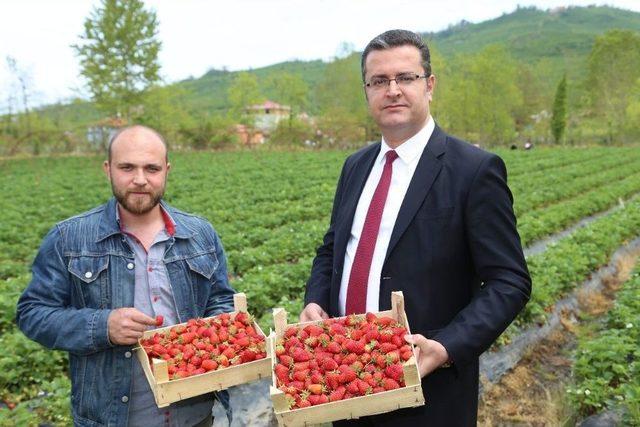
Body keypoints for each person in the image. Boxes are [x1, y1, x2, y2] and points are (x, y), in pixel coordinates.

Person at [301, 29, 531, 426]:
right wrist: (315, 300)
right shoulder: (356, 166)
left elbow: (509, 282)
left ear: (429, 85)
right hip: (345, 378)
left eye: (405, 78)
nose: (392, 90)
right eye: (379, 81)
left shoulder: (473, 170)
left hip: (426, 391)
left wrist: (446, 346)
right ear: (367, 92)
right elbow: (333, 247)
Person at [16, 125, 235, 427]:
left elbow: (221, 299)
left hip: (194, 415)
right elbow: (32, 313)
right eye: (127, 167)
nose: (140, 180)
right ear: (108, 170)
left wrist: (212, 337)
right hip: (114, 418)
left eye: (152, 168)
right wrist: (102, 325)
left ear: (167, 170)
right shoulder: (69, 238)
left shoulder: (200, 234)